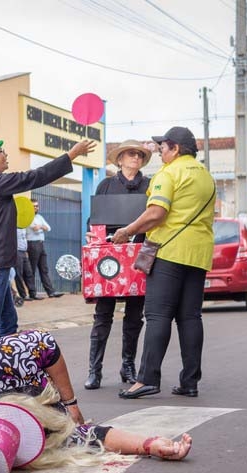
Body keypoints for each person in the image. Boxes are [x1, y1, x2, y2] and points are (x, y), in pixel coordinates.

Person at [0, 330, 192, 473]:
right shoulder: (28, 434)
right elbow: (91, 434)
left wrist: (71, 402)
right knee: (61, 426)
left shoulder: (8, 361)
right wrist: (150, 443)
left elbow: (46, 344)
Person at [0, 133, 94, 346]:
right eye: (0, 151)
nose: (5, 154)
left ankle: (6, 365)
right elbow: (36, 176)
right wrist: (71, 155)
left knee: (8, 321)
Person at [111, 127, 215, 400]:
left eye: (163, 148)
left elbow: (156, 213)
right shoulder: (206, 176)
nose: (160, 153)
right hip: (199, 254)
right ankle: (190, 382)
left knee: (157, 316)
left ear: (176, 149)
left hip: (169, 252)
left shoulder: (168, 174)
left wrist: (127, 230)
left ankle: (146, 379)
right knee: (190, 317)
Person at [0, 385, 193, 473]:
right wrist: (151, 444)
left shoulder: (31, 399)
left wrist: (148, 443)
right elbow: (94, 435)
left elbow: (90, 433)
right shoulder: (45, 437)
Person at [84, 140, 150, 390]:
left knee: (135, 315)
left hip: (138, 256)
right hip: (108, 260)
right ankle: (94, 370)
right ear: (120, 159)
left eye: (139, 154)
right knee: (103, 315)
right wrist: (92, 233)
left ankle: (128, 366)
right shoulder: (106, 185)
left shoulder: (149, 186)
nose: (135, 157)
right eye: (130, 154)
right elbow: (94, 219)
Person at [26, 199, 63, 299]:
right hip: (32, 244)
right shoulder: (27, 217)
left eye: (37, 206)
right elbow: (35, 228)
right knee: (32, 270)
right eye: (34, 206)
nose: (36, 208)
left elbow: (48, 228)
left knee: (44, 269)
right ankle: (32, 293)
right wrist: (42, 227)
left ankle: (50, 291)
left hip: (41, 244)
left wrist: (41, 226)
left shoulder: (39, 217)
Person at [14, 227, 36, 301]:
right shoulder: (13, 226)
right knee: (19, 273)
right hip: (17, 251)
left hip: (24, 251)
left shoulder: (23, 227)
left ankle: (33, 293)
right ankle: (23, 295)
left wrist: (26, 251)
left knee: (29, 272)